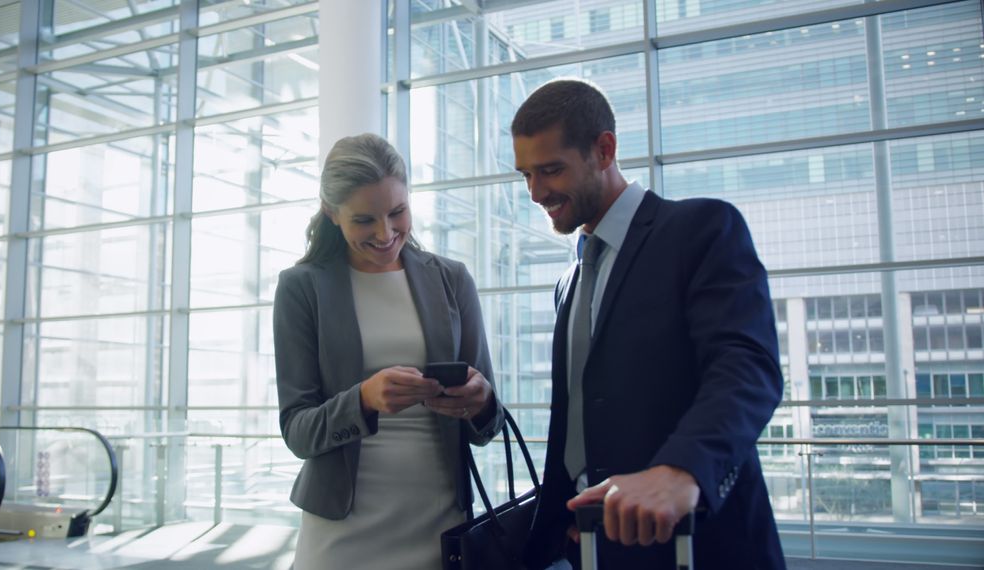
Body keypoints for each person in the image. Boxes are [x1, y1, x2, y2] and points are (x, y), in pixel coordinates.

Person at [514, 79, 786, 569]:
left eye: (551, 170)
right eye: (526, 175)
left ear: (604, 150)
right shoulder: (570, 281)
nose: (536, 192)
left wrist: (683, 469)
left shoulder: (700, 230)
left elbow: (746, 368)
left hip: (697, 545)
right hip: (594, 546)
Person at [273, 133, 505, 569]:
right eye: (364, 220)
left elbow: (487, 425)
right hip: (341, 535)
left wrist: (481, 401)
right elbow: (297, 431)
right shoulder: (301, 288)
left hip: (440, 525)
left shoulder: (452, 279)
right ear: (331, 213)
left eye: (398, 212)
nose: (386, 233)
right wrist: (363, 399)